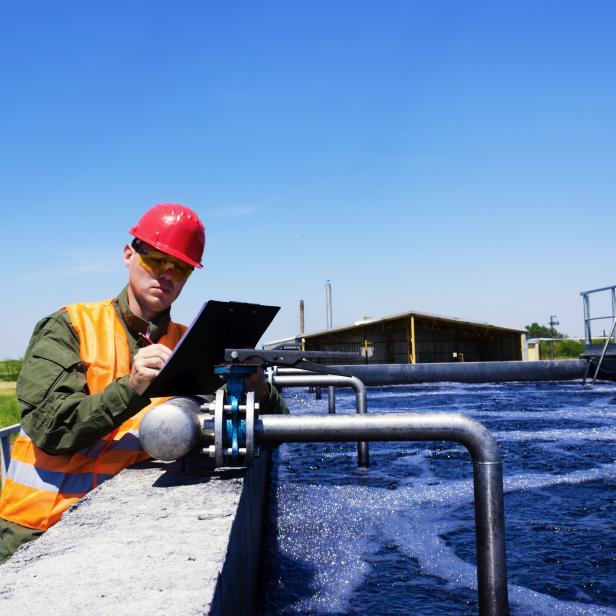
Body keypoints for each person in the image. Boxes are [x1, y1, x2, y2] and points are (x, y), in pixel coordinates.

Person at [0, 203, 287, 564]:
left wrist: (259, 390)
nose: (166, 275)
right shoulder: (70, 326)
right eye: (155, 260)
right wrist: (131, 387)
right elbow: (48, 427)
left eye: (180, 268)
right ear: (128, 254)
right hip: (38, 530)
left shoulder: (192, 344)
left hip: (122, 529)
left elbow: (275, 432)